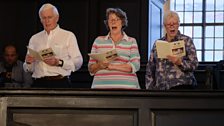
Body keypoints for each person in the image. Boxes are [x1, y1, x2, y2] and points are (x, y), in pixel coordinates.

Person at [23, 3, 83, 88]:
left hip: (60, 83)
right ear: (40, 20)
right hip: (39, 84)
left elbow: (78, 62)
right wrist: (28, 62)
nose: (47, 21)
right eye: (44, 18)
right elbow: (28, 69)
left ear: (57, 18)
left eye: (49, 17)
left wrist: (58, 62)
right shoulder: (34, 38)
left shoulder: (68, 36)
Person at [88, 8, 141, 89]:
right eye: (111, 20)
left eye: (117, 19)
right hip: (101, 88)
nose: (113, 22)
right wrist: (100, 65)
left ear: (122, 22)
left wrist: (112, 67)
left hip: (127, 88)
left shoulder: (131, 41)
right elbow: (91, 68)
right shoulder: (98, 40)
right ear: (108, 23)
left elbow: (136, 65)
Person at [145, 11, 198, 90]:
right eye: (169, 24)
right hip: (161, 88)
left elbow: (194, 64)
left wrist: (180, 62)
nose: (172, 26)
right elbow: (150, 67)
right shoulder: (157, 43)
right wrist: (149, 90)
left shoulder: (186, 41)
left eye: (174, 24)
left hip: (182, 86)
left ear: (178, 24)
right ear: (165, 26)